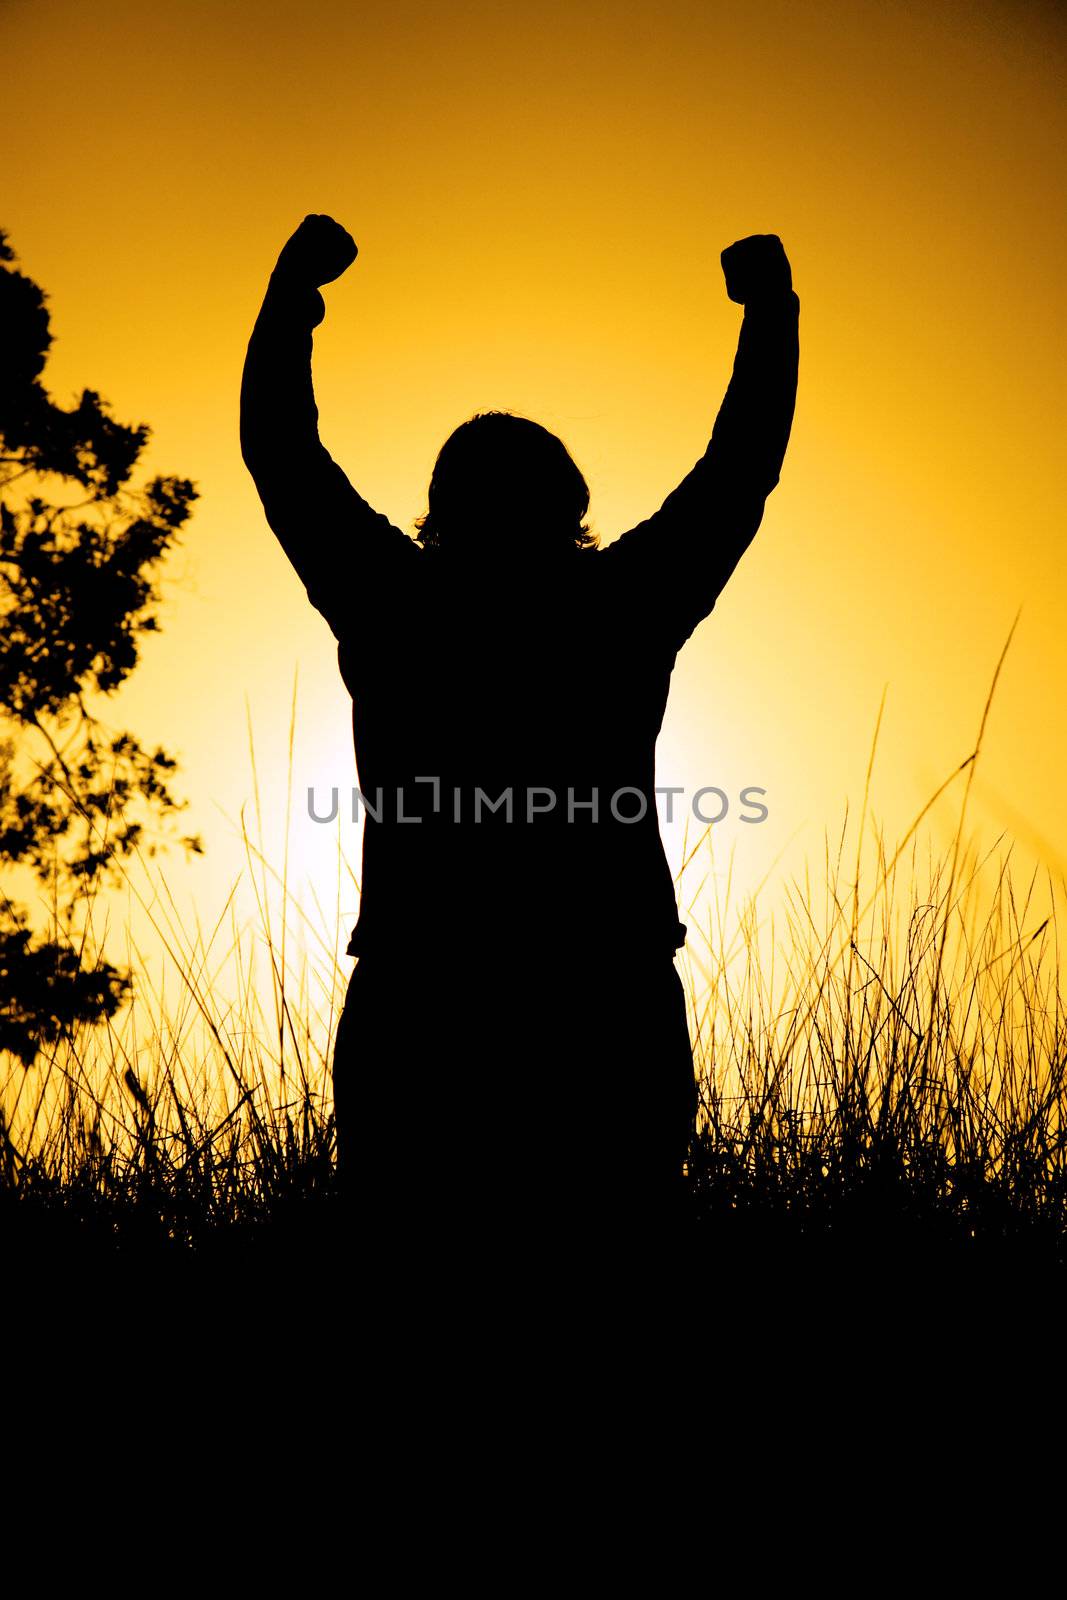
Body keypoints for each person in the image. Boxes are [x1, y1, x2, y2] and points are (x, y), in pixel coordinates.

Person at [240, 214, 799, 1280]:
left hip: (429, 1004)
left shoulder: (391, 599)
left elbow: (280, 451)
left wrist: (292, 298)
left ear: (436, 512)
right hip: (597, 1000)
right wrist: (768, 313)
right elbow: (740, 470)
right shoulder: (622, 603)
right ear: (573, 508)